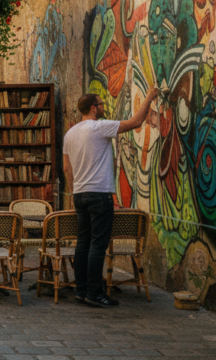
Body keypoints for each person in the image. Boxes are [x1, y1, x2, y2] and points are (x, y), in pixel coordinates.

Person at [63, 88, 158, 308]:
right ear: (94, 108)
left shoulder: (70, 134)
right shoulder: (99, 127)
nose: (104, 108)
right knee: (98, 244)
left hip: (80, 194)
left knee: (83, 242)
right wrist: (150, 98)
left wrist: (73, 191)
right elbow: (135, 122)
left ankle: (81, 290)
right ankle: (95, 294)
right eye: (102, 104)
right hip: (99, 193)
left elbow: (68, 168)